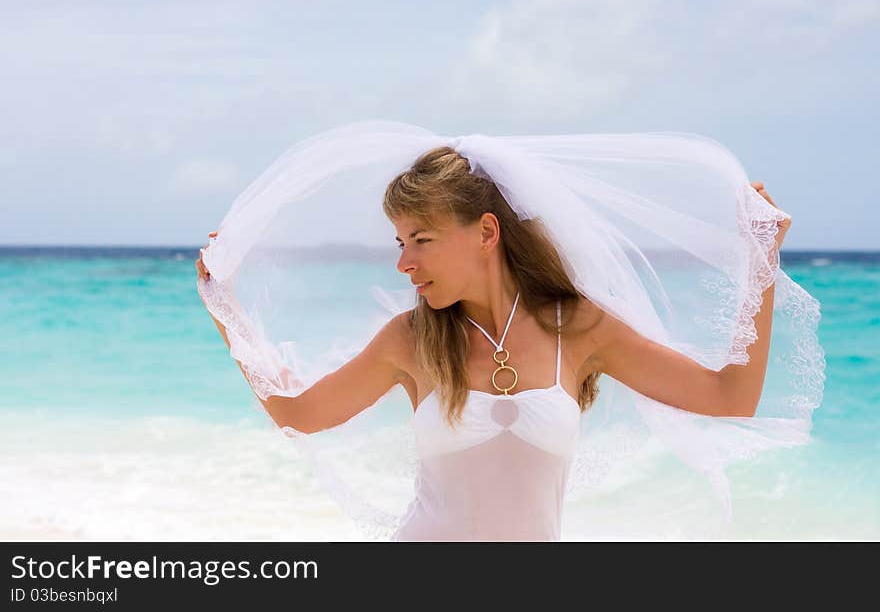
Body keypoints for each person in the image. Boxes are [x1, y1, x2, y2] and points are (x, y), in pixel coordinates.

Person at [195, 142, 794, 541]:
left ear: (486, 232)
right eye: (398, 242)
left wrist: (760, 261)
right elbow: (300, 412)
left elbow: (730, 395)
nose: (403, 262)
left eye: (420, 239)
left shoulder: (578, 327)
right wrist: (228, 313)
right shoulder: (409, 341)